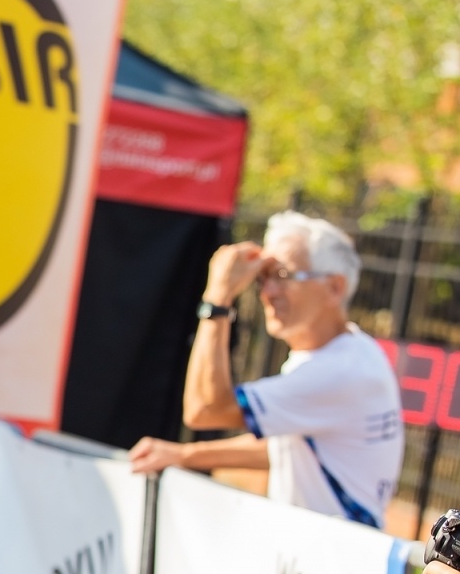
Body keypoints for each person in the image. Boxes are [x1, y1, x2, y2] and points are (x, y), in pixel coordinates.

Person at [129, 211, 404, 528]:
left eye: (284, 275)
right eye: (263, 278)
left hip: (333, 564)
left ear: (335, 287)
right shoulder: (349, 351)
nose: (268, 292)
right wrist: (184, 456)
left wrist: (218, 299)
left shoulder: (338, 370)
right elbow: (283, 447)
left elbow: (205, 409)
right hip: (323, 561)